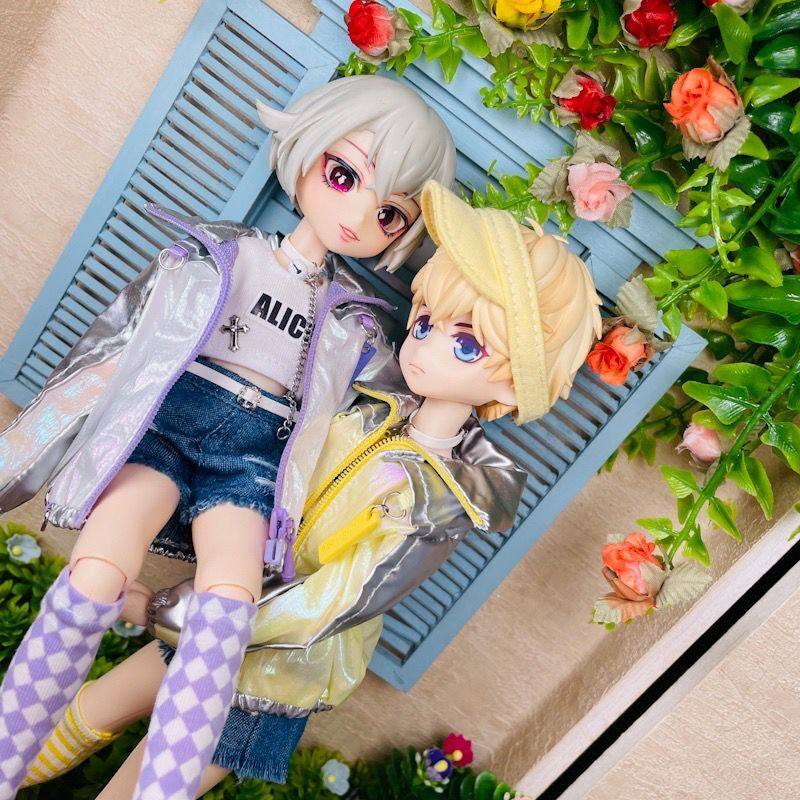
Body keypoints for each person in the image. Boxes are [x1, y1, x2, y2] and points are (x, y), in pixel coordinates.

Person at [19, 180, 602, 797]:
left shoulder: (439, 504)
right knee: (90, 711)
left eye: (465, 345)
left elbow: (337, 601)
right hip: (221, 613)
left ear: (514, 387)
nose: (423, 346)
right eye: (426, 322)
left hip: (272, 674)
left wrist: (172, 611)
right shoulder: (367, 406)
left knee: (143, 787)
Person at [0, 76, 456, 800]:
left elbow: (404, 398)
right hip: (167, 428)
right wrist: (28, 453)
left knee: (226, 610)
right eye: (344, 176)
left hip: (252, 463)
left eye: (389, 213)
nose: (356, 216)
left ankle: (160, 789)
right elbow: (113, 350)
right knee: (95, 573)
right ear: (305, 152)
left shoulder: (356, 324)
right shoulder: (219, 255)